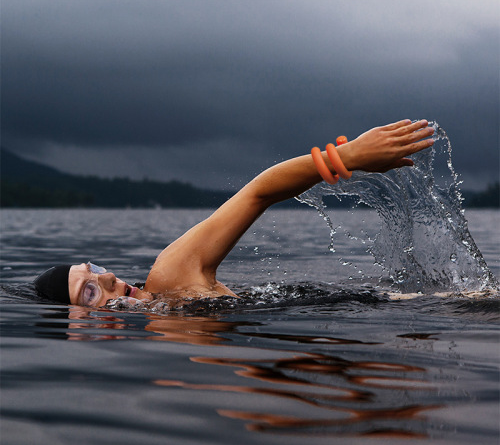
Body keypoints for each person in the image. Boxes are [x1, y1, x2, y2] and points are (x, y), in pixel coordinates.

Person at [34, 119, 435, 307]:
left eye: (95, 269)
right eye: (89, 291)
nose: (107, 276)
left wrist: (346, 156)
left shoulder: (171, 277)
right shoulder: (167, 346)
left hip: (413, 305)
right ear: (78, 327)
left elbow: (257, 193)